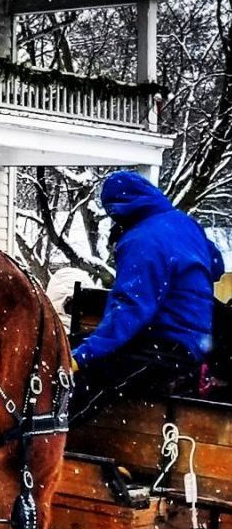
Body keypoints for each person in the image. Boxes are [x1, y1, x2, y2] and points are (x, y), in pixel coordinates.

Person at [70, 170, 225, 424]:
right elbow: (216, 264)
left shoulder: (141, 240)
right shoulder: (183, 222)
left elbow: (129, 309)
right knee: (86, 351)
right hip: (194, 341)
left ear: (115, 210)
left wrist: (82, 357)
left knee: (93, 379)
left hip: (167, 343)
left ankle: (44, 442)